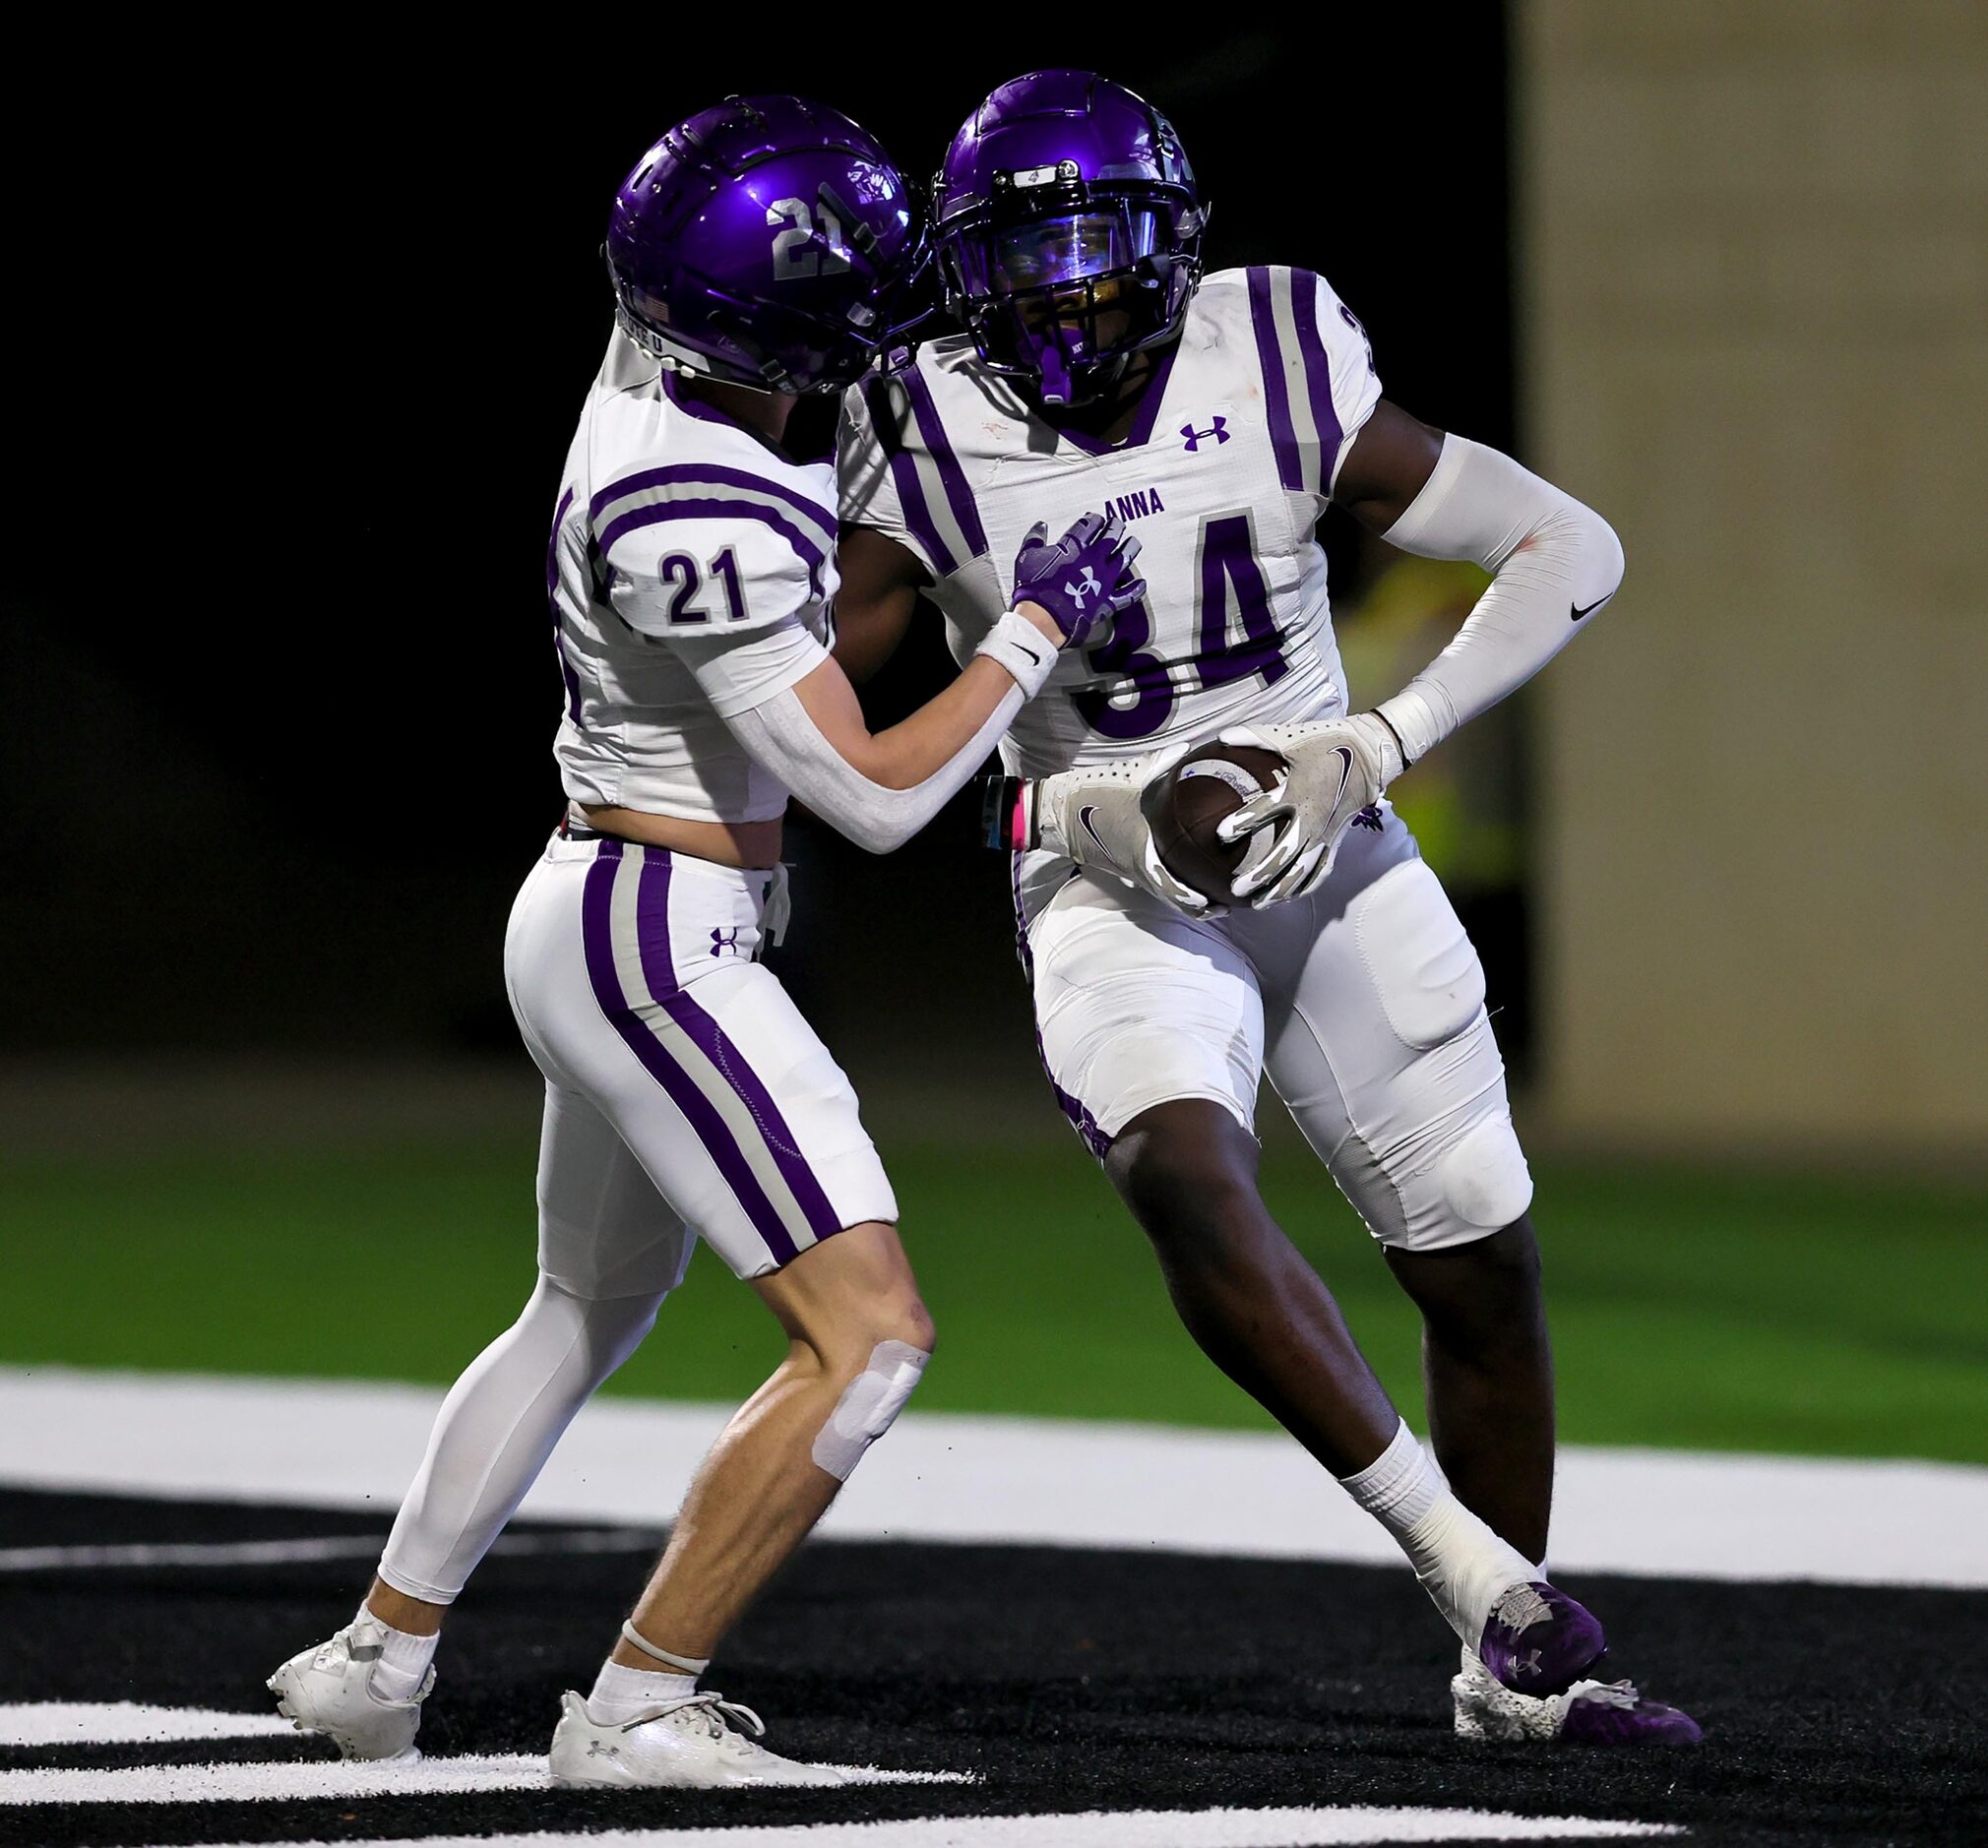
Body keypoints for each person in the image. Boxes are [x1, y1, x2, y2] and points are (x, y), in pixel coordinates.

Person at [266, 93, 1143, 1790]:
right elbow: (881, 798)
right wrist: (1035, 626)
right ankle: (640, 1701)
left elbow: (692, 224)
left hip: (610, 902)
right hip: (657, 937)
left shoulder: (642, 361)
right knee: (870, 1335)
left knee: (580, 1306)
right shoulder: (696, 513)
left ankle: (380, 1656)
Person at [833, 69, 1699, 1748]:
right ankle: (1493, 1595)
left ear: (1172, 249)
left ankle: (1504, 1686)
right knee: (1184, 1172)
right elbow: (832, 743)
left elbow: (1567, 544)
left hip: (1327, 850)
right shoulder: (921, 426)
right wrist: (1076, 801)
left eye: (1101, 247)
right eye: (1032, 254)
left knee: (1481, 1265)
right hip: (1100, 877)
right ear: (964, 270)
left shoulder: (1277, 348)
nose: (1072, 287)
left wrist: (1368, 745)